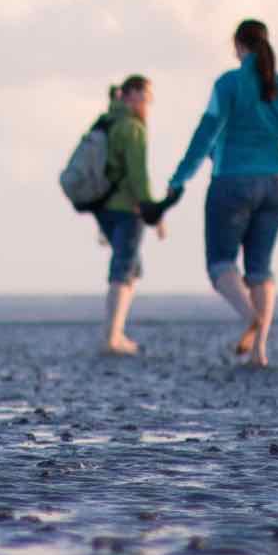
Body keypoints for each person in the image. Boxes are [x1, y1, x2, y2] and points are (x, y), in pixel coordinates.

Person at [167, 19, 278, 367]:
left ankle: (250, 316)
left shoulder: (228, 84)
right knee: (260, 267)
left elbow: (206, 134)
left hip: (232, 179)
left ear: (237, 46)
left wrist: (179, 179)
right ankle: (259, 350)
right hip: (277, 182)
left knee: (221, 263)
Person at [91, 79, 166, 355]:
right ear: (132, 95)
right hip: (127, 207)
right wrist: (152, 211)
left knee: (131, 268)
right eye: (145, 97)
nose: (147, 103)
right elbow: (138, 174)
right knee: (124, 268)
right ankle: (112, 336)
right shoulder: (132, 128)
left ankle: (116, 332)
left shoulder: (107, 121)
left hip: (104, 206)